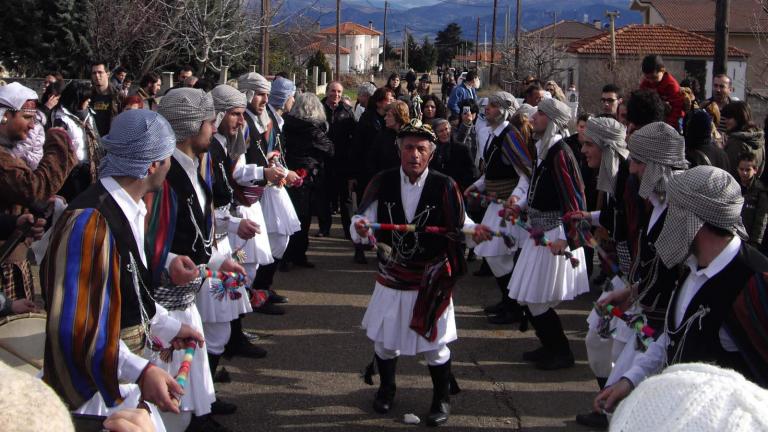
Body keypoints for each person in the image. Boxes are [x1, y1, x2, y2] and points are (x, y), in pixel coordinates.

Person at [41, 109, 205, 427]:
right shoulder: (90, 221)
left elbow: (129, 291)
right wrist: (140, 371)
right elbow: (77, 327)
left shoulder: (127, 208)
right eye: (167, 157)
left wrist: (166, 327)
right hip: (95, 395)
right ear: (153, 165)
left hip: (119, 376)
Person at [594, 165, 768, 413]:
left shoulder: (754, 281)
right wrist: (631, 379)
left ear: (693, 219)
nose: (667, 221)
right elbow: (671, 337)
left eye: (674, 211)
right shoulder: (691, 264)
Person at [352, 119, 492, 427]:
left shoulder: (445, 185)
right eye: (409, 148)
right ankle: (386, 388)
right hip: (393, 275)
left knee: (435, 344)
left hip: (432, 277)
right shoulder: (383, 180)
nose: (414, 154)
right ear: (399, 150)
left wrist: (475, 231)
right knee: (386, 342)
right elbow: (363, 220)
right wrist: (360, 228)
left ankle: (441, 397)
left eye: (421, 149)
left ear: (431, 153)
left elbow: (461, 224)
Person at [157, 88, 249, 431]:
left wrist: (218, 260)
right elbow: (145, 240)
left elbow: (199, 231)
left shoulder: (191, 167)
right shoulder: (165, 175)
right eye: (210, 122)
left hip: (188, 288)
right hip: (166, 299)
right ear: (193, 126)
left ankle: (198, 413)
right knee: (171, 377)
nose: (214, 128)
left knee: (196, 354)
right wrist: (168, 262)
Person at [506, 98, 589, 370]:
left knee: (535, 297)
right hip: (538, 232)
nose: (534, 117)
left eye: (541, 113)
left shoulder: (561, 153)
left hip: (552, 234)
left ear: (552, 120)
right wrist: (520, 206)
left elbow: (574, 199)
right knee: (529, 296)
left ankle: (561, 351)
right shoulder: (545, 150)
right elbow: (537, 189)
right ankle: (550, 346)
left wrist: (569, 237)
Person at [569, 117, 630, 428]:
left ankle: (618, 413)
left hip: (637, 291)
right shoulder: (615, 179)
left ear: (607, 148)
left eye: (589, 144)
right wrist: (589, 216)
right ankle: (609, 406)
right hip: (623, 281)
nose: (583, 150)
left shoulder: (629, 181)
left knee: (622, 354)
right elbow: (612, 216)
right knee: (596, 339)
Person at [0, 82, 77, 308]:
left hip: (14, 257)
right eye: (26, 117)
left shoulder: (9, 153)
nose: (33, 125)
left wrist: (23, 217)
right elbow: (35, 187)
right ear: (5, 116)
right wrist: (59, 144)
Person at [465, 93, 532, 325]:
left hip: (507, 206)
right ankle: (508, 301)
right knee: (493, 252)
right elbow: (492, 170)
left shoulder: (510, 136)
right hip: (496, 203)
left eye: (494, 106)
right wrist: (476, 185)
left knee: (496, 253)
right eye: (489, 105)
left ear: (504, 110)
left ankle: (514, 306)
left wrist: (515, 199)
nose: (488, 109)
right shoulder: (496, 135)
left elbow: (525, 173)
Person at [282, 92, 334, 270]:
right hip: (306, 176)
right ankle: (297, 255)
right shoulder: (312, 130)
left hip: (288, 173)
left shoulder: (286, 124)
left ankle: (287, 255)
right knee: (303, 219)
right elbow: (330, 149)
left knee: (289, 216)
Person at [350, 87, 394, 264]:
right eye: (388, 99)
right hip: (367, 174)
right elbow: (356, 148)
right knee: (365, 212)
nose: (391, 102)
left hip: (386, 175)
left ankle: (381, 251)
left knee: (384, 215)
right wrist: (353, 174)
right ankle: (359, 248)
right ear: (379, 102)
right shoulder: (367, 120)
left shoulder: (391, 121)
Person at [53, 80, 102, 201]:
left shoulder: (88, 115)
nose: (89, 101)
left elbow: (97, 138)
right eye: (86, 98)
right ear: (77, 99)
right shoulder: (61, 119)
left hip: (92, 169)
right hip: (73, 174)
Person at [322, 81, 356, 239]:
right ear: (327, 91)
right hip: (324, 160)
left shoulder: (347, 111)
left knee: (346, 198)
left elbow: (353, 137)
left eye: (339, 92)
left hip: (343, 160)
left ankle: (349, 230)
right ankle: (324, 228)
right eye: (333, 91)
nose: (336, 95)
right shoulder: (319, 109)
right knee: (325, 196)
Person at [722, 101, 765, 179]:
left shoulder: (736, 142)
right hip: (753, 186)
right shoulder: (758, 138)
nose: (726, 121)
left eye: (729, 118)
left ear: (740, 118)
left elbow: (728, 171)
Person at [639, 54, 684, 129]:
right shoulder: (645, 84)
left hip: (669, 126)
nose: (651, 81)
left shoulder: (671, 85)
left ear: (662, 70)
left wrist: (666, 128)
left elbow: (677, 110)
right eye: (647, 78)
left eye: (654, 77)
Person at [367, 100, 409, 176]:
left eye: (389, 115)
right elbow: (372, 159)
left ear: (399, 116)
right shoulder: (382, 136)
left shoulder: (410, 136)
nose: (385, 118)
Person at [429, 118, 473, 189]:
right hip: (437, 188)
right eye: (440, 131)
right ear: (435, 134)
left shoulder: (462, 148)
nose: (445, 133)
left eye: (446, 129)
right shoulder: (431, 150)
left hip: (458, 189)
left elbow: (471, 171)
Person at [737, 152, 768, 248]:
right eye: (741, 169)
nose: (744, 173)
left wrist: (755, 242)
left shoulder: (760, 191)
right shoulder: (734, 186)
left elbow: (761, 219)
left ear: (755, 170)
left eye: (748, 170)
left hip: (750, 240)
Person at [89, 60, 122, 136]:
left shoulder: (118, 96)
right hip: (94, 141)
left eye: (100, 72)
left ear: (108, 74)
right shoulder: (88, 97)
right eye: (94, 73)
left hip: (113, 140)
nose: (97, 76)